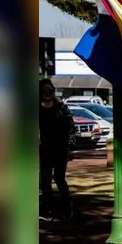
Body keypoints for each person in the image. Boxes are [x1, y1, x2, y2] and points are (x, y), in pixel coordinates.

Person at [39, 78, 76, 220]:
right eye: (45, 91)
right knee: (45, 181)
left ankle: (67, 208)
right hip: (44, 149)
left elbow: (70, 129)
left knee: (60, 178)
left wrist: (70, 148)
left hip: (60, 149)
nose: (48, 93)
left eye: (51, 90)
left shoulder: (62, 108)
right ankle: (47, 209)